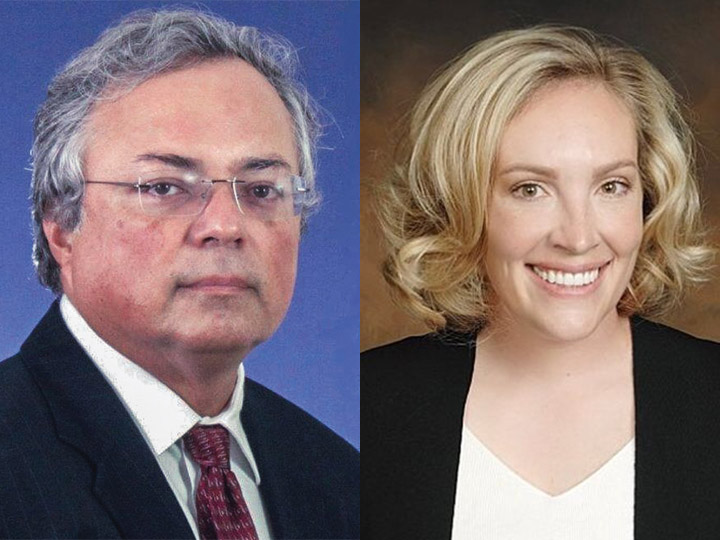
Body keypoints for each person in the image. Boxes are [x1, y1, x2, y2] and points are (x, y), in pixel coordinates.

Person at [0, 8, 358, 540]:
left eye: (261, 191)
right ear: (61, 226)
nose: (225, 225)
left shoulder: (339, 478)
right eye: (164, 187)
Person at [362, 25, 719, 540]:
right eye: (530, 188)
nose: (577, 237)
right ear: (462, 204)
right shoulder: (370, 406)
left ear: (649, 197)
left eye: (611, 185)